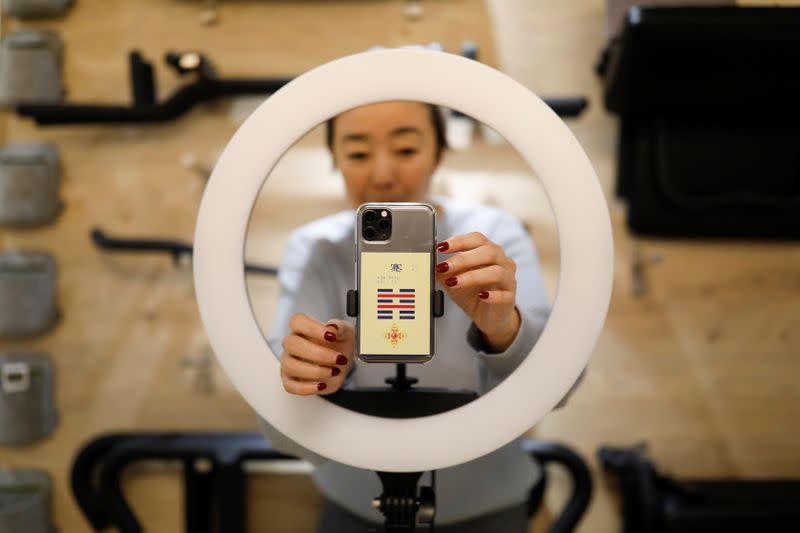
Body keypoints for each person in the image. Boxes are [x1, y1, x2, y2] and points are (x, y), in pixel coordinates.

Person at [259, 100, 577, 532]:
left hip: (485, 504)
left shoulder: (491, 236)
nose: (383, 174)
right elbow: (277, 412)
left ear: (439, 152)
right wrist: (318, 367)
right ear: (334, 160)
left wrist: (504, 329)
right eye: (357, 153)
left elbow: (561, 385)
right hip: (354, 505)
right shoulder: (316, 248)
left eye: (406, 150)